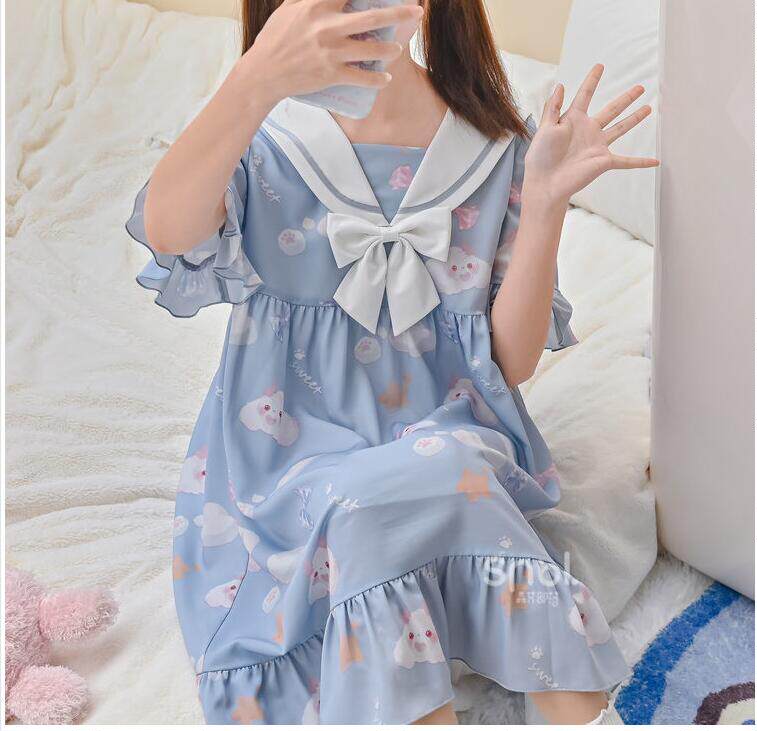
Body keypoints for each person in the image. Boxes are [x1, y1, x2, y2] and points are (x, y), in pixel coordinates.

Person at [126, 0, 658, 723]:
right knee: (366, 506)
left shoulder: (490, 146)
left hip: (442, 432)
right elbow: (170, 234)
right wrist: (253, 81)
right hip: (285, 457)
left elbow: (506, 363)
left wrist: (544, 206)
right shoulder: (263, 134)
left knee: (446, 474)